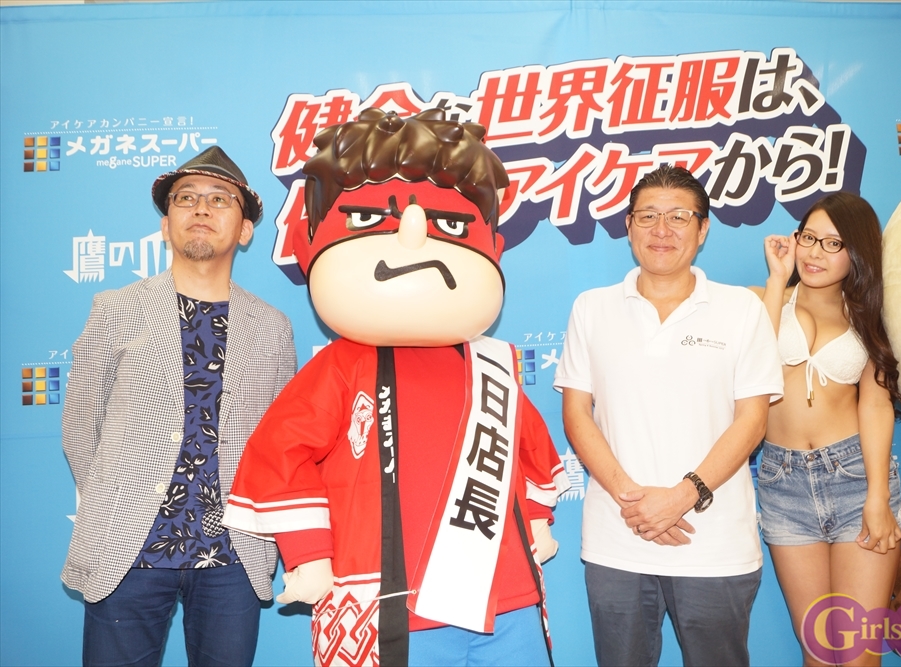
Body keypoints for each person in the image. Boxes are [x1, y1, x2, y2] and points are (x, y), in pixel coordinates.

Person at [222, 108, 569, 667]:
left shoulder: (492, 366)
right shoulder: (341, 366)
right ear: (311, 249)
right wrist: (309, 552)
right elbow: (279, 454)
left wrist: (534, 518)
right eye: (368, 219)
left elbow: (531, 451)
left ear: (494, 250)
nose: (412, 237)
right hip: (391, 601)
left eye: (447, 225)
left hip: (504, 592)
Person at [61, 146, 297, 667]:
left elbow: (281, 445)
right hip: (127, 546)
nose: (201, 207)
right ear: (166, 225)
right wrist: (117, 496)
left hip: (233, 555)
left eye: (220, 199)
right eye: (185, 198)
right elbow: (81, 428)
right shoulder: (116, 310)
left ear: (245, 230)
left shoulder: (273, 328)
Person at [554, 164, 784, 667]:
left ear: (703, 230)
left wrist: (683, 496)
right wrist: (636, 503)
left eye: (679, 217)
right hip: (618, 541)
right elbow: (576, 414)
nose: (662, 230)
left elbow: (752, 422)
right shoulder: (592, 308)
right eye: (648, 216)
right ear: (628, 226)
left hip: (714, 544)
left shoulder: (741, 309)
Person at [751, 192, 901, 667]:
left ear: (857, 252)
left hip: (855, 476)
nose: (815, 253)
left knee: (858, 654)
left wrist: (877, 497)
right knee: (818, 653)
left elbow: (875, 405)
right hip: (783, 483)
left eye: (833, 243)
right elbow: (752, 367)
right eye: (809, 238)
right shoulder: (763, 299)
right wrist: (777, 281)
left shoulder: (868, 317)